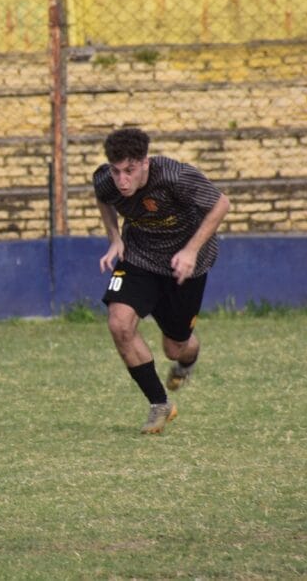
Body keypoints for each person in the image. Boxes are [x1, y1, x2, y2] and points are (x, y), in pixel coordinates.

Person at [94, 127, 230, 434]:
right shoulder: (106, 180)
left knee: (175, 347)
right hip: (139, 258)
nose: (121, 181)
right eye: (116, 172)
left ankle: (186, 363)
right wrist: (115, 238)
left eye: (129, 171)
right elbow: (103, 197)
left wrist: (191, 251)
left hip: (185, 265)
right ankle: (159, 403)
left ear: (145, 162)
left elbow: (222, 204)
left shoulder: (174, 176)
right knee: (119, 323)